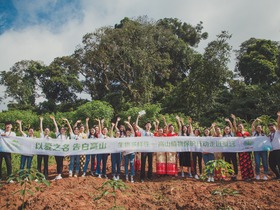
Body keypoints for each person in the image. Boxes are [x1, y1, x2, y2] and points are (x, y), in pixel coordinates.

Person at [232, 114, 254, 181]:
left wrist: (246, 138)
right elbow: (234, 126)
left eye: (241, 126)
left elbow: (250, 141)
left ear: (243, 127)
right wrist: (234, 119)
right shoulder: (237, 133)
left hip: (247, 150)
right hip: (241, 151)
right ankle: (244, 177)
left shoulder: (247, 133)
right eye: (239, 127)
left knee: (248, 163)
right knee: (242, 164)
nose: (240, 127)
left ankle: (250, 176)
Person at [51, 116, 70, 180]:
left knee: (61, 162)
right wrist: (54, 120)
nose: (62, 130)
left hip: (62, 152)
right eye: (61, 129)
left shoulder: (66, 137)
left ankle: (60, 174)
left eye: (63, 129)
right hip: (56, 151)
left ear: (65, 130)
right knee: (57, 162)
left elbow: (67, 145)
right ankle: (58, 173)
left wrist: (66, 152)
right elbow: (56, 126)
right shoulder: (58, 135)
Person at [268, 111, 280, 180]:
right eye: (270, 128)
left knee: (279, 163)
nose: (271, 128)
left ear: (275, 127)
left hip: (278, 150)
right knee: (271, 164)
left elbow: (279, 124)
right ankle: (278, 175)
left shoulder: (278, 132)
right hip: (272, 150)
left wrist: (278, 117)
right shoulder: (269, 134)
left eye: (272, 127)